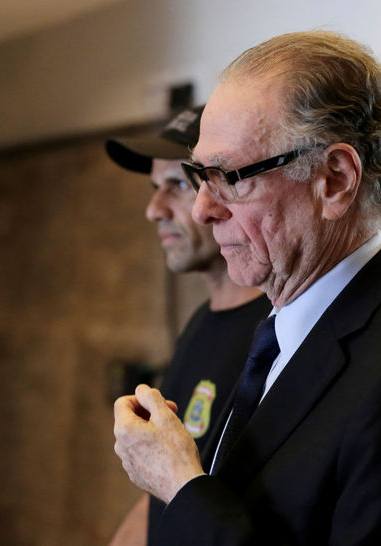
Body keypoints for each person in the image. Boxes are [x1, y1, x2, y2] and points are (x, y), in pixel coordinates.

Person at [112, 31, 381, 545]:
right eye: (199, 175)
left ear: (336, 179)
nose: (202, 209)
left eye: (229, 176)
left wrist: (182, 487)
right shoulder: (289, 328)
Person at [105, 106, 272, 545]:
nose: (154, 209)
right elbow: (165, 488)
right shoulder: (202, 322)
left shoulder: (275, 337)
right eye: (155, 188)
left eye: (177, 185)